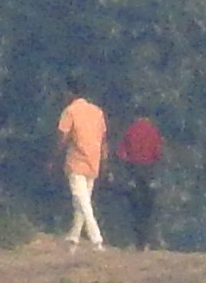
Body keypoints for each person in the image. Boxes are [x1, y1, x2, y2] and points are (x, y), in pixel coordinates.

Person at [56, 85, 110, 249]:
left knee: (83, 202)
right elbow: (104, 140)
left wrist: (54, 157)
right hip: (94, 162)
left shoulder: (70, 111)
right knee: (81, 201)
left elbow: (63, 137)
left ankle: (97, 239)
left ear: (70, 93)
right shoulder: (97, 112)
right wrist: (105, 161)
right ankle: (73, 239)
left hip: (77, 161)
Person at [113, 113, 166, 249]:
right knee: (149, 209)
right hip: (149, 173)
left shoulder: (131, 130)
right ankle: (148, 241)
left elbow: (122, 154)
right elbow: (158, 153)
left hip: (134, 173)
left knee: (135, 208)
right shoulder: (153, 131)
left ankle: (138, 242)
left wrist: (128, 170)